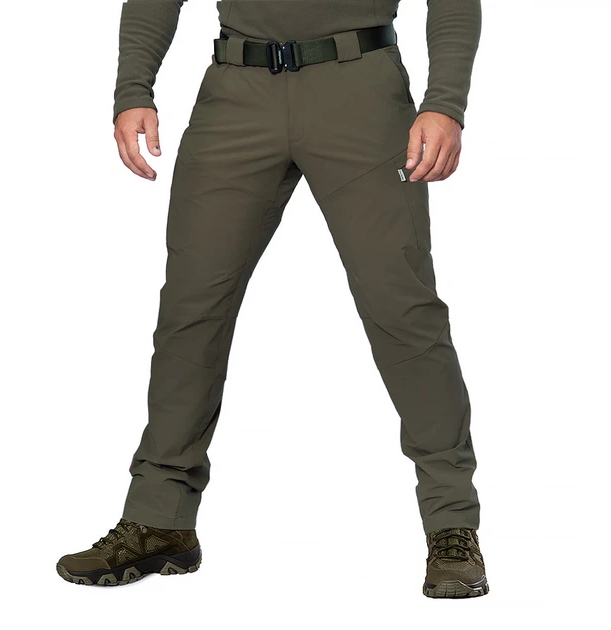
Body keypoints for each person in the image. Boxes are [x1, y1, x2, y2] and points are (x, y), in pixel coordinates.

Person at [57, 0, 488, 598]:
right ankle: (160, 519)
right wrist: (134, 88)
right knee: (191, 312)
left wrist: (445, 103)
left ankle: (451, 524)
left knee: (402, 309)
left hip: (360, 88)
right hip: (236, 91)